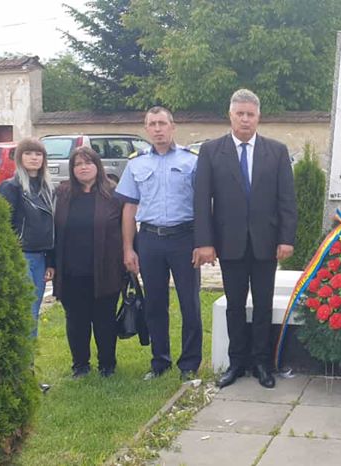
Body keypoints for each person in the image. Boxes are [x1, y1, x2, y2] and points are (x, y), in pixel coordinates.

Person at [194, 89, 298, 389]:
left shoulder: (276, 151)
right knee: (235, 305)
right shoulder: (212, 151)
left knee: (263, 305)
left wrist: (286, 238)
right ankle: (237, 362)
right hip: (229, 243)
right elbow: (202, 201)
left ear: (258, 117)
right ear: (230, 115)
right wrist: (205, 241)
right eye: (239, 113)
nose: (244, 119)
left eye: (250, 114)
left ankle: (262, 363)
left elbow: (286, 200)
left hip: (266, 243)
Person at [116, 106, 202, 382]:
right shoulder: (136, 163)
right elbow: (129, 208)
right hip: (150, 239)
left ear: (172, 127)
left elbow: (203, 205)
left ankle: (189, 363)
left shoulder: (192, 161)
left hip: (184, 238)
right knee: (154, 303)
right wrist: (129, 248)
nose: (157, 129)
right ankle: (159, 361)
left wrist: (203, 243)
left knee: (190, 302)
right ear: (146, 129)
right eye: (152, 124)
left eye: (162, 123)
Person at [52, 147, 124, 378]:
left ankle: (107, 365)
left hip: (105, 269)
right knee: (76, 321)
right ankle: (80, 365)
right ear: (72, 169)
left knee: (104, 320)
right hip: (72, 271)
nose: (83, 167)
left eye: (88, 162)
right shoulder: (62, 194)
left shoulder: (113, 195)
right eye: (78, 164)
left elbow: (127, 230)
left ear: (97, 166)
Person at [0, 137, 55, 338]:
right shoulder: (10, 188)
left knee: (34, 312)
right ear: (20, 157)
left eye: (38, 154)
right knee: (26, 312)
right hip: (21, 257)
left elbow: (51, 228)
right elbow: (2, 226)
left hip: (41, 258)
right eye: (28, 153)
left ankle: (28, 359)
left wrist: (51, 261)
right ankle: (23, 364)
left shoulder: (47, 189)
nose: (34, 158)